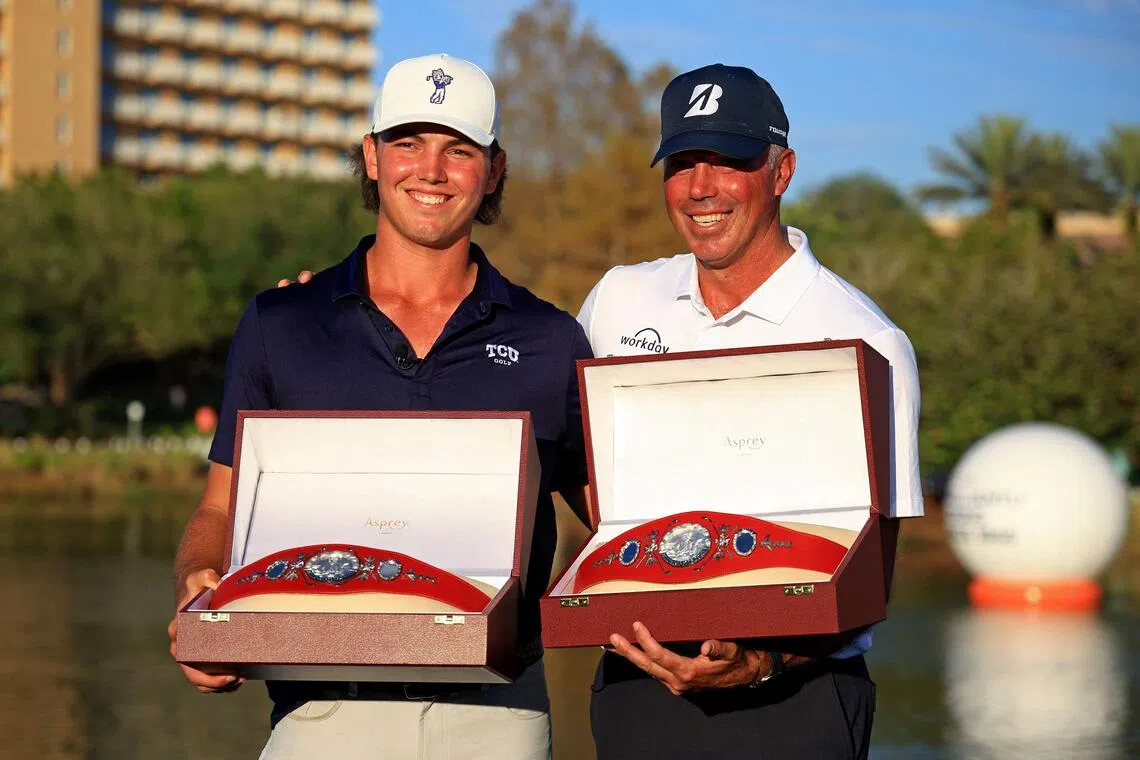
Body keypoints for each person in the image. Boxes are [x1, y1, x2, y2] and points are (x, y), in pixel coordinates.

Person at [167, 53, 591, 760]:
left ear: (494, 170)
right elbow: (219, 509)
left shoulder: (550, 339)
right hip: (321, 713)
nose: (431, 170)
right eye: (408, 143)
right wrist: (197, 594)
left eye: (459, 150)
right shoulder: (282, 321)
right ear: (371, 156)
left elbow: (614, 524)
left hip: (500, 720)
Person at [576, 64, 923, 759]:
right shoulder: (618, 299)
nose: (701, 187)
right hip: (637, 682)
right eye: (682, 163)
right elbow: (541, 419)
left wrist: (762, 661)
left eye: (729, 161)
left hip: (793, 700)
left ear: (781, 170)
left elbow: (868, 581)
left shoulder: (867, 337)